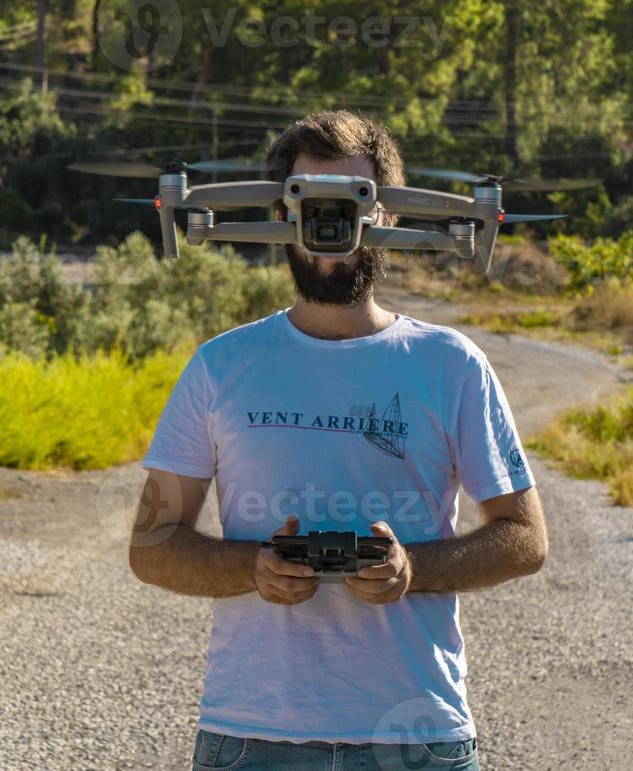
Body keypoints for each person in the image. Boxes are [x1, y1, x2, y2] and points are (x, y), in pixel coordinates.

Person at [129, 110, 548, 771]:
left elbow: (524, 537)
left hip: (418, 733)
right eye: (310, 206)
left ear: (388, 216)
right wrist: (252, 567)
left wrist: (412, 570)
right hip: (253, 734)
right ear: (280, 214)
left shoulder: (451, 363)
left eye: (349, 206)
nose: (329, 234)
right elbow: (151, 546)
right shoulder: (221, 366)